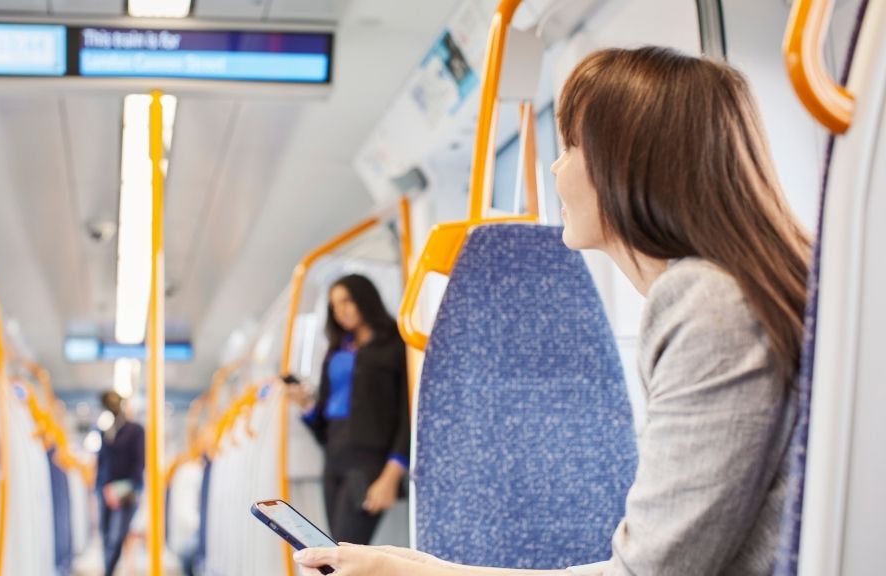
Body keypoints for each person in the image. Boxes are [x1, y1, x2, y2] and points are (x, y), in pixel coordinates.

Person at [294, 46, 810, 576]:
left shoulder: (706, 304)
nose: (557, 169)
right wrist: (416, 568)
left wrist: (413, 574)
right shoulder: (732, 294)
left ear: (622, 163)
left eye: (570, 148)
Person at [283, 273, 410, 545]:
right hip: (333, 464)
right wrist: (306, 406)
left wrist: (390, 476)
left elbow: (408, 416)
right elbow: (324, 429)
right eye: (334, 306)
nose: (340, 311)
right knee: (336, 550)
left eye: (346, 301)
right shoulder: (335, 352)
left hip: (368, 465)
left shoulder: (394, 346)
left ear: (365, 298)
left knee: (343, 554)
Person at [95, 390, 145, 576]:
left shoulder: (136, 431)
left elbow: (139, 464)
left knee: (116, 538)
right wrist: (102, 489)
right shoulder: (105, 432)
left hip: (125, 494)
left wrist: (120, 490)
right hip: (105, 493)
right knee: (106, 537)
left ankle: (107, 572)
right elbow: (101, 464)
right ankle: (107, 571)